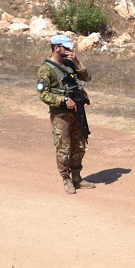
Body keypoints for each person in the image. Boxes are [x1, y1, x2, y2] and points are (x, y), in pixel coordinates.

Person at [36, 33, 92, 194]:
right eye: (65, 47)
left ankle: (77, 177)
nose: (68, 50)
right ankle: (66, 179)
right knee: (64, 148)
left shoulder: (69, 63)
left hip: (77, 111)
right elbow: (43, 94)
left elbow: (87, 77)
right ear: (56, 48)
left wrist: (76, 61)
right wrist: (63, 99)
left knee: (79, 146)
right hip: (61, 115)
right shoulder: (46, 69)